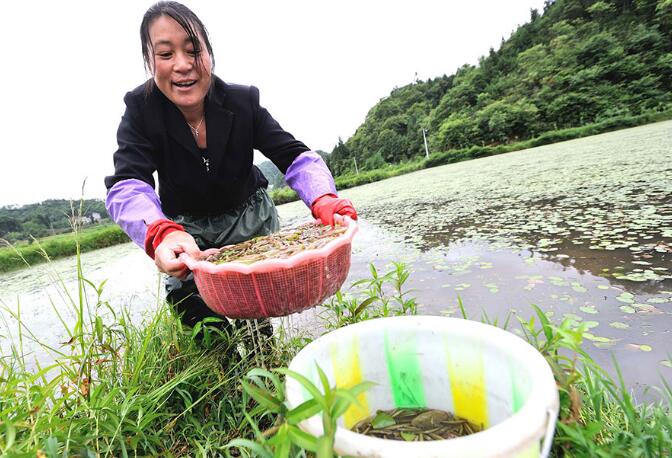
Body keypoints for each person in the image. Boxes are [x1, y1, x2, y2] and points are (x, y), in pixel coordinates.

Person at [104, 1, 357, 338]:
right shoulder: (140, 110)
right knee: (193, 310)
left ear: (209, 53)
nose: (182, 65)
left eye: (193, 50)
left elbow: (294, 155)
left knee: (255, 312)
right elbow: (128, 182)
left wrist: (324, 199)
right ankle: (223, 370)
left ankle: (263, 367)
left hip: (248, 218)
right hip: (185, 230)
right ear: (150, 62)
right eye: (165, 54)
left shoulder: (242, 101)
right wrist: (161, 233)